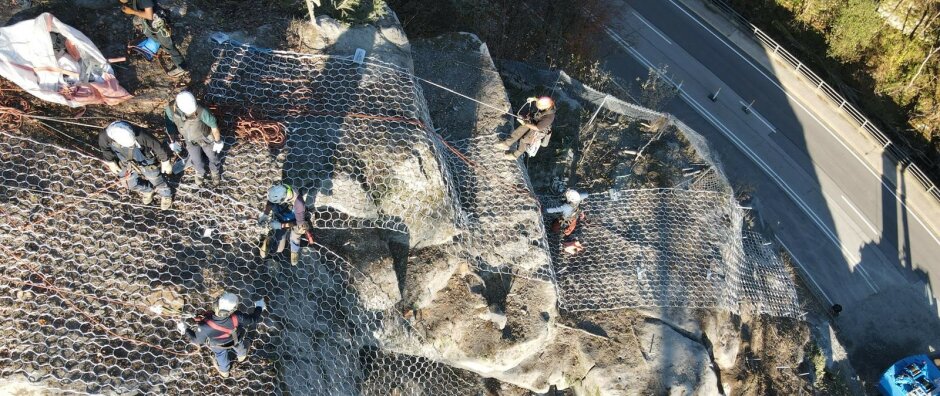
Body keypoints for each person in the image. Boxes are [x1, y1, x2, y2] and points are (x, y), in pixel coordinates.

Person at [177, 292, 266, 378]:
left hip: (217, 345)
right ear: (233, 309)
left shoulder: (205, 326)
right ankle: (242, 356)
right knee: (239, 345)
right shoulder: (237, 316)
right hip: (234, 338)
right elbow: (253, 320)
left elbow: (197, 340)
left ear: (217, 305)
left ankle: (224, 372)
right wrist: (259, 307)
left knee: (221, 355)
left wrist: (185, 330)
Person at [98, 121, 174, 210]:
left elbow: (157, 146)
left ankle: (166, 195)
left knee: (156, 179)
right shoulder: (105, 136)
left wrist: (165, 162)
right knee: (129, 184)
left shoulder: (141, 135)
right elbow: (105, 149)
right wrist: (110, 162)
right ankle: (148, 190)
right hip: (125, 161)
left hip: (145, 160)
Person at [165, 91, 224, 187]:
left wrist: (218, 141)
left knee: (212, 156)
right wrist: (173, 141)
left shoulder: (202, 110)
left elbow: (214, 126)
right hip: (189, 140)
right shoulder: (171, 109)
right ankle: (200, 172)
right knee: (196, 159)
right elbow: (170, 125)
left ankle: (215, 171)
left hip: (206, 138)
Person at [120, 0, 187, 77]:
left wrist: (132, 12)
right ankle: (160, 43)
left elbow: (149, 15)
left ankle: (181, 67)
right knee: (150, 34)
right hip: (149, 22)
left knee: (168, 46)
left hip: (158, 23)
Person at [259, 184, 311, 266]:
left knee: (299, 231)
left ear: (283, 199)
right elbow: (271, 201)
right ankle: (269, 239)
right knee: (279, 249)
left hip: (294, 221)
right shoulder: (279, 190)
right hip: (279, 218)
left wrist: (280, 226)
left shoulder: (298, 203)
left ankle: (294, 251)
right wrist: (265, 214)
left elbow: (299, 224)